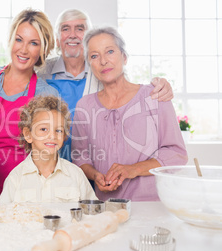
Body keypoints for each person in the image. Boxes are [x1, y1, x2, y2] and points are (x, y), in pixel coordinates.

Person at [36, 9, 174, 161]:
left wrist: (159, 85)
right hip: (52, 160)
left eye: (80, 29)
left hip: (97, 163)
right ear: (57, 38)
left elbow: (130, 92)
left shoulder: (105, 71)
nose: (73, 34)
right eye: (65, 29)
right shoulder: (41, 74)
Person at [71, 26, 187, 201]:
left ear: (124, 57)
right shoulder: (84, 106)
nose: (103, 61)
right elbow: (80, 159)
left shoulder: (155, 95)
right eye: (94, 56)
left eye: (110, 51)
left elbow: (176, 154)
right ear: (90, 65)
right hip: (106, 206)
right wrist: (95, 175)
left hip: (153, 204)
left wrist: (132, 169)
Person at [0, 9, 59, 202]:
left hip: (22, 189)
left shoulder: (46, 94)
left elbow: (50, 151)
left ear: (43, 50)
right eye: (19, 39)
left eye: (33, 43)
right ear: (11, 40)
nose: (24, 49)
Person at [0, 95, 96, 203]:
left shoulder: (76, 175)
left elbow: (93, 214)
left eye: (58, 130)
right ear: (28, 134)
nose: (52, 136)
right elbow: (3, 216)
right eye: (43, 129)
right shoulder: (15, 178)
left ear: (64, 136)